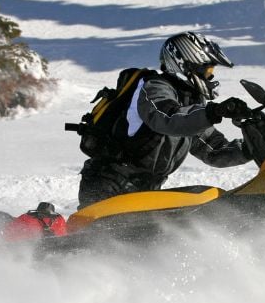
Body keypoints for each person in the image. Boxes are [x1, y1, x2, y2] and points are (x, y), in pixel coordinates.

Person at [77, 31, 252, 208]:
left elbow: (213, 149)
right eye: (207, 70)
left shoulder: (188, 104)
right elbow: (168, 117)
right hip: (109, 186)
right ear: (185, 64)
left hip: (140, 193)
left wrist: (250, 147)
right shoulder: (152, 88)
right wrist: (215, 111)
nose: (210, 77)